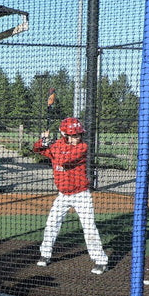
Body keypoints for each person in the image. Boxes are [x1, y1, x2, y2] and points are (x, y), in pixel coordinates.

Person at [33, 117, 109, 275]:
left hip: (81, 195)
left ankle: (101, 260)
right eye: (73, 135)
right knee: (51, 224)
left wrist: (50, 146)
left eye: (78, 134)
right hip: (63, 195)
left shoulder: (82, 147)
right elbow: (37, 149)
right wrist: (43, 141)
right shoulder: (57, 145)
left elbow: (63, 160)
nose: (77, 138)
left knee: (89, 228)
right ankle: (45, 255)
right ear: (64, 135)